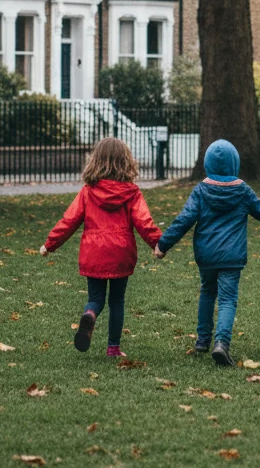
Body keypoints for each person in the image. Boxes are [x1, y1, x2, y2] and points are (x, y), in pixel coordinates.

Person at [154, 139, 260, 366]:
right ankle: (221, 343)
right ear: (235, 163)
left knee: (207, 292)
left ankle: (202, 340)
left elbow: (184, 219)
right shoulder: (242, 190)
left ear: (207, 164)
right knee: (227, 299)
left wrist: (163, 244)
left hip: (206, 255)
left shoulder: (201, 190)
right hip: (232, 256)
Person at [40, 137, 162, 358]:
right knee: (117, 300)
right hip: (121, 253)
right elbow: (144, 222)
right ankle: (113, 347)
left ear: (95, 161)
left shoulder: (88, 192)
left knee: (96, 298)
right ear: (126, 162)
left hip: (94, 253)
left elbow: (69, 220)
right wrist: (158, 243)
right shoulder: (132, 192)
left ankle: (90, 313)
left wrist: (50, 244)